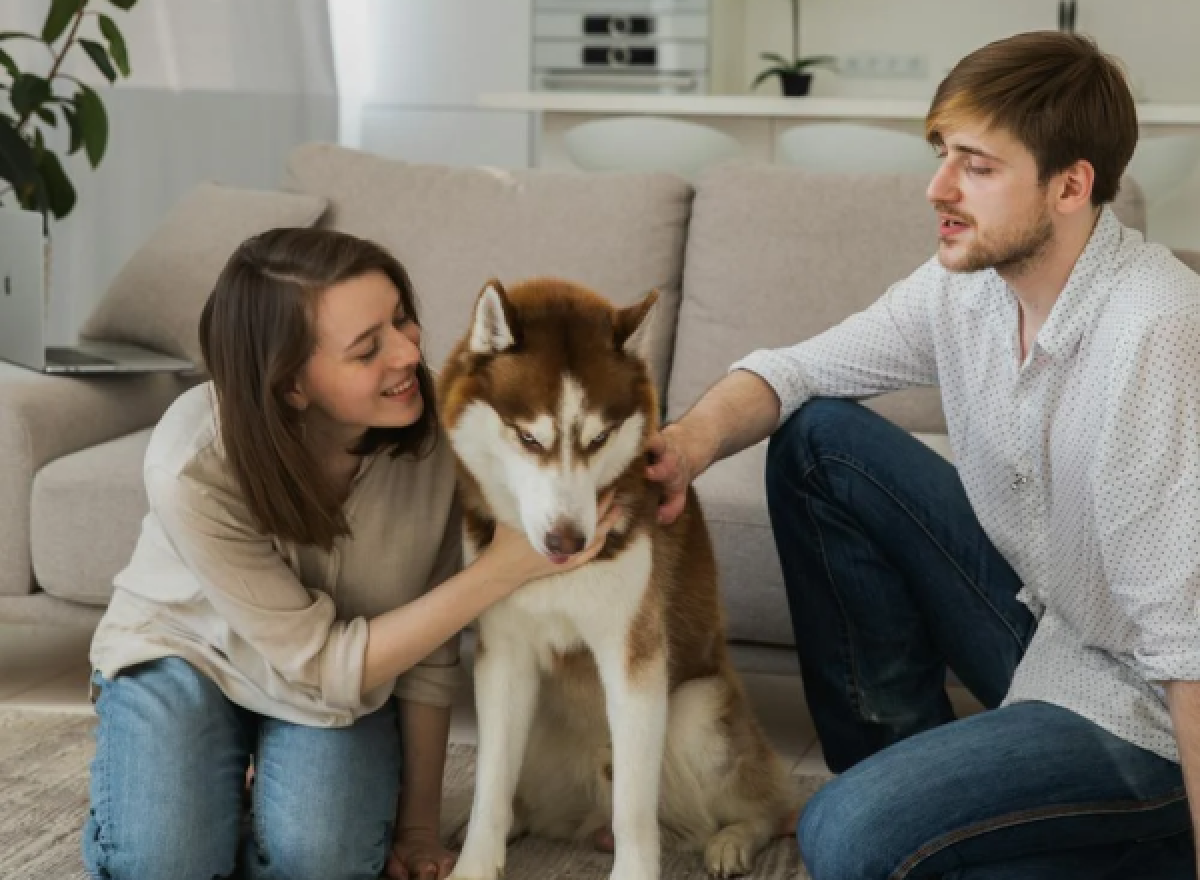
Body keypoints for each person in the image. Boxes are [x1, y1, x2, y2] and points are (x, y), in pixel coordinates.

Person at [646, 31, 1200, 879]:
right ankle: (918, 786)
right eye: (943, 153)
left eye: (977, 166)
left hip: (1146, 711)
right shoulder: (965, 289)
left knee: (844, 835)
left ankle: (1133, 839)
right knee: (819, 441)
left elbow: (1188, 650)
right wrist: (685, 445)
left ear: (1070, 185)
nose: (938, 187)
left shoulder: (1155, 331)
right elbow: (795, 371)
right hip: (1055, 632)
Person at [81, 227, 617, 880]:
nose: (408, 352)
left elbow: (431, 649)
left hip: (345, 682)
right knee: (165, 864)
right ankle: (190, 785)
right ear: (292, 385)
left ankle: (236, 791)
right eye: (368, 349)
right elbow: (319, 659)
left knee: (326, 862)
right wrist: (501, 570)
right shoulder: (191, 464)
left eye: (402, 318)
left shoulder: (448, 436)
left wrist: (418, 830)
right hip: (189, 654)